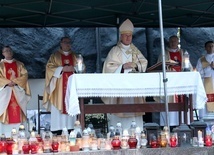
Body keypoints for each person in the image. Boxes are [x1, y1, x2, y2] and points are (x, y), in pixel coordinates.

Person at [102, 19, 148, 130]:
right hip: (120, 88)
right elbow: (108, 67)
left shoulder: (135, 50)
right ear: (121, 36)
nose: (128, 38)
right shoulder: (115, 50)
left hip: (134, 89)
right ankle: (119, 133)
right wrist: (122, 67)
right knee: (120, 113)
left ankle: (136, 132)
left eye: (130, 36)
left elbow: (143, 63)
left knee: (134, 112)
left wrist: (135, 65)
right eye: (125, 35)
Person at [155, 35, 192, 127]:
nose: (173, 43)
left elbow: (189, 67)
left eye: (175, 41)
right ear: (169, 42)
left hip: (181, 81)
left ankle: (183, 122)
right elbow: (159, 67)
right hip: (169, 82)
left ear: (178, 42)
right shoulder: (164, 54)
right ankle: (169, 124)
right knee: (169, 101)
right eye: (171, 41)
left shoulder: (183, 53)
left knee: (183, 100)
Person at [43, 36, 78, 134]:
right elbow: (49, 68)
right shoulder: (55, 56)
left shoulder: (75, 56)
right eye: (65, 42)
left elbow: (81, 67)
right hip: (58, 88)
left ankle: (71, 128)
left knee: (71, 104)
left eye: (69, 42)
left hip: (71, 87)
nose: (67, 44)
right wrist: (62, 69)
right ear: (61, 44)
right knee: (60, 104)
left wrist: (74, 69)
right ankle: (58, 129)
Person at [0, 46, 31, 137]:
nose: (9, 52)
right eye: (6, 51)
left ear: (12, 52)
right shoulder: (0, 65)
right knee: (4, 110)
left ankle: (20, 135)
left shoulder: (19, 64)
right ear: (3, 53)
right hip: (5, 92)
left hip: (17, 91)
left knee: (18, 111)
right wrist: (7, 82)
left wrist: (15, 82)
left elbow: (24, 75)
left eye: (10, 51)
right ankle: (4, 135)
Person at [196, 41, 214, 120]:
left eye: (212, 46)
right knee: (205, 102)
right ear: (205, 48)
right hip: (205, 83)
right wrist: (209, 67)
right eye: (209, 46)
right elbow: (198, 72)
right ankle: (205, 121)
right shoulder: (201, 60)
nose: (211, 48)